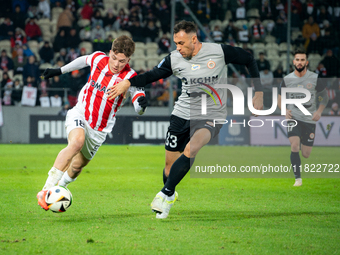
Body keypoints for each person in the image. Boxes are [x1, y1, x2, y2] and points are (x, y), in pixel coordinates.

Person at [107, 21, 263, 219]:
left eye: (181, 43)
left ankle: (164, 194)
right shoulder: (174, 58)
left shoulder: (219, 52)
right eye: (175, 43)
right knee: (169, 168)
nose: (178, 48)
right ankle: (170, 194)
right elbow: (151, 76)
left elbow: (249, 59)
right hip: (182, 113)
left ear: (194, 39)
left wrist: (258, 92)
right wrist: (128, 82)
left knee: (192, 148)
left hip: (211, 115)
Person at [36, 35, 148, 211]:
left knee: (77, 166)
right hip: (80, 113)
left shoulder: (131, 77)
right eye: (114, 58)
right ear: (110, 52)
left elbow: (138, 100)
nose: (117, 64)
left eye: (122, 61)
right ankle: (45, 191)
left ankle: (61, 186)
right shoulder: (98, 58)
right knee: (77, 142)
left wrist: (141, 105)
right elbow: (82, 61)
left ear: (128, 60)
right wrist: (60, 70)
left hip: (100, 130)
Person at [277, 49, 329, 187]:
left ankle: (301, 145)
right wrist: (284, 110)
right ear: (294, 62)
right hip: (293, 117)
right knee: (294, 145)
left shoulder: (315, 78)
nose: (299, 63)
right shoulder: (287, 79)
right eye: (297, 60)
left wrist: (319, 111)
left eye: (302, 60)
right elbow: (280, 98)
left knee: (306, 154)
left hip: (309, 120)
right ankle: (298, 179)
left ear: (306, 62)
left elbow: (325, 97)